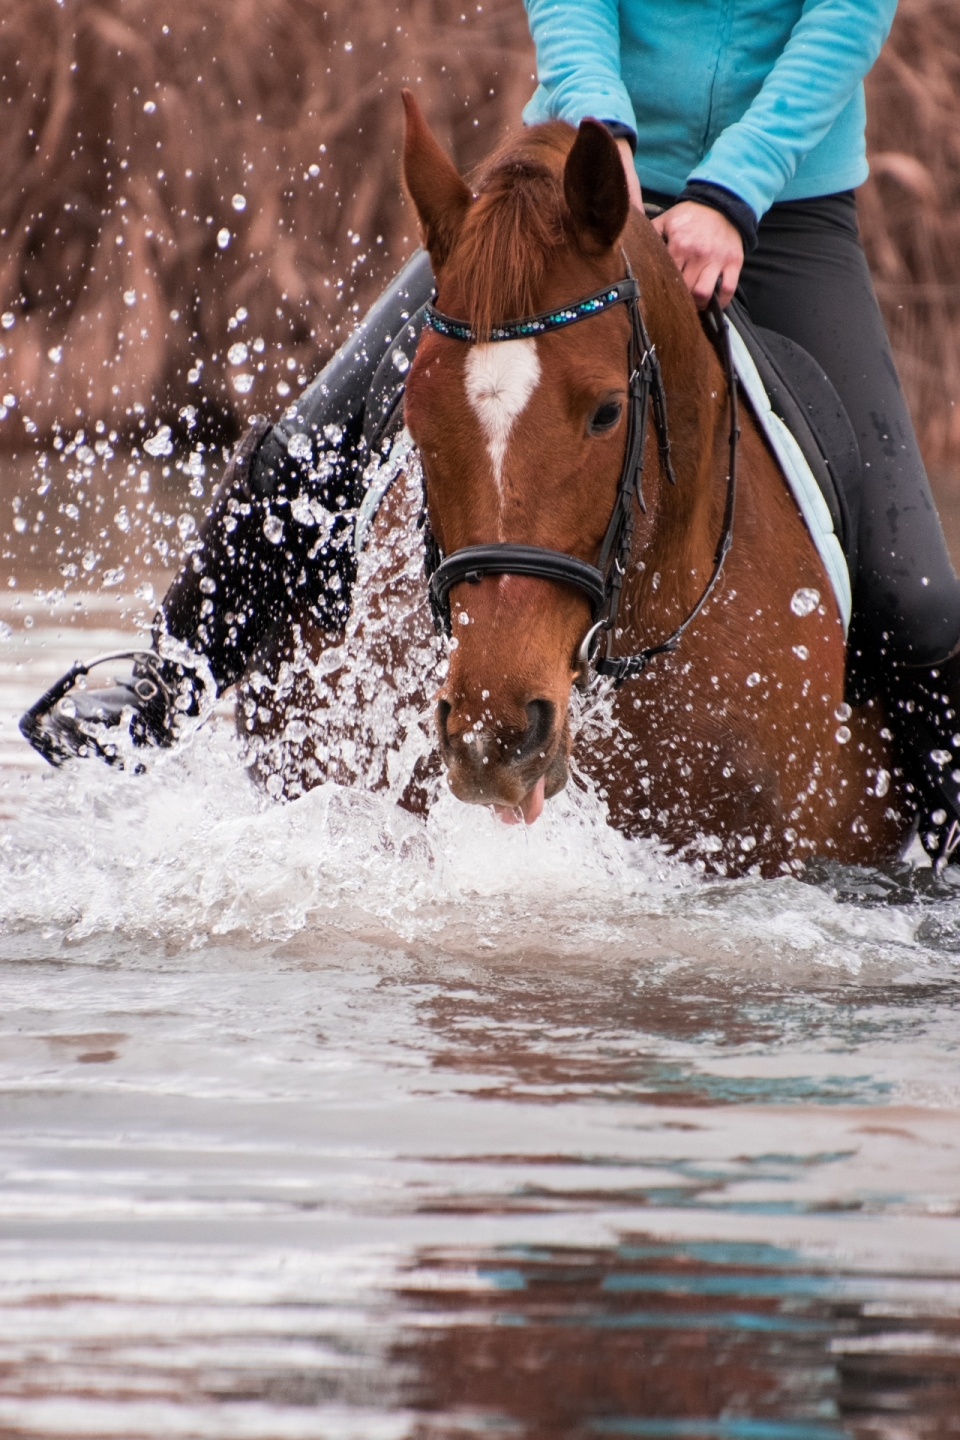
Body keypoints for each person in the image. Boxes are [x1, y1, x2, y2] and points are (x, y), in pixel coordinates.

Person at [22, 0, 960, 857]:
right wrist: (606, 129)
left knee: (915, 591)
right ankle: (164, 683)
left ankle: (944, 826)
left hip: (783, 206)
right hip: (572, 182)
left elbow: (847, 15)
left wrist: (732, 193)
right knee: (305, 448)